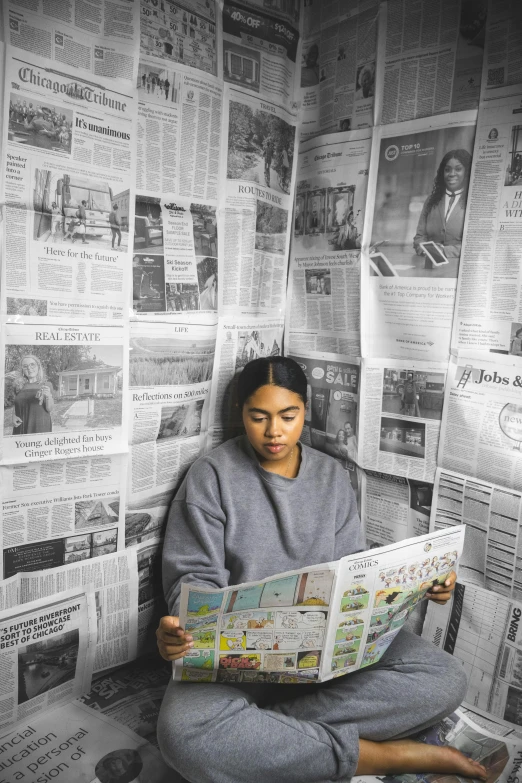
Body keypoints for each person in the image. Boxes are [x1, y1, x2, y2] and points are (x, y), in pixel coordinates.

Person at [155, 356, 486, 783]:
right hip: (238, 661)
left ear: (305, 412)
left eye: (288, 416)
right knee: (182, 735)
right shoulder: (211, 476)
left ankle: (265, 734)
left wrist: (423, 586)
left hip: (329, 660)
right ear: (241, 413)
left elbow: (357, 571)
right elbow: (193, 578)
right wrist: (180, 628)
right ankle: (383, 757)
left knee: (443, 679)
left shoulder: (332, 477)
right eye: (259, 417)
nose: (274, 431)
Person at [413, 149, 472, 259]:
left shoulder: (473, 201)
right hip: (428, 264)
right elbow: (419, 237)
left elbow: (474, 246)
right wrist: (424, 249)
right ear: (442, 173)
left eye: (458, 169)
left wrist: (444, 251)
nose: (452, 174)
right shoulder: (431, 200)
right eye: (447, 170)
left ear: (467, 171)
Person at [8, 355, 53, 435]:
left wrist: (48, 395)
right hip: (21, 426)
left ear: (38, 367)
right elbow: (16, 404)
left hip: (39, 427)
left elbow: (49, 409)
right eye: (25, 366)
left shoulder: (46, 384)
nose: (29, 368)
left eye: (32, 364)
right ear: (22, 370)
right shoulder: (18, 386)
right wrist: (13, 416)